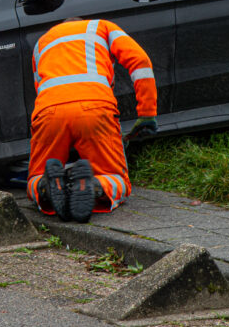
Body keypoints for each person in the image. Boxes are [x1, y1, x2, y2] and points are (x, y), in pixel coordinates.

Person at [26, 17, 158, 223]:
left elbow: (39, 85)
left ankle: (44, 186)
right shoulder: (102, 27)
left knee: (34, 176)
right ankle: (96, 186)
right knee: (117, 179)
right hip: (95, 107)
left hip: (48, 110)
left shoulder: (42, 42)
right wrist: (147, 113)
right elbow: (140, 62)